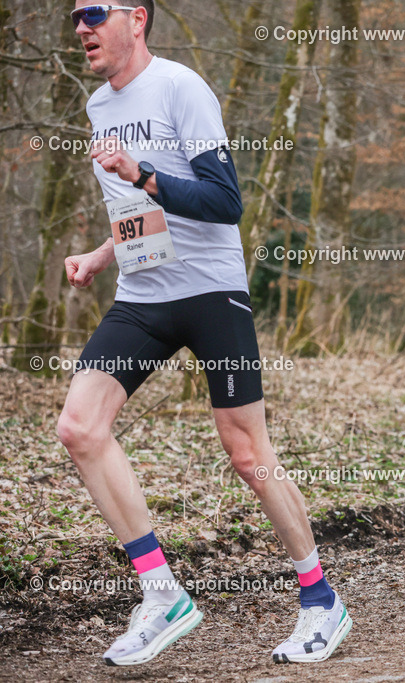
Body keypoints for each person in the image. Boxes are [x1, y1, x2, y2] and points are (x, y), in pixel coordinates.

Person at [59, 2, 350, 665]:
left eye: (95, 12)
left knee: (248, 452)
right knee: (80, 427)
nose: (81, 26)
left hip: (211, 292)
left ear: (136, 18)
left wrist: (142, 173)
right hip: (142, 296)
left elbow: (224, 202)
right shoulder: (97, 105)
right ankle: (162, 593)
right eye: (74, 14)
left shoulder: (181, 87)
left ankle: (320, 598)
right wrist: (101, 254)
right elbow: (135, 208)